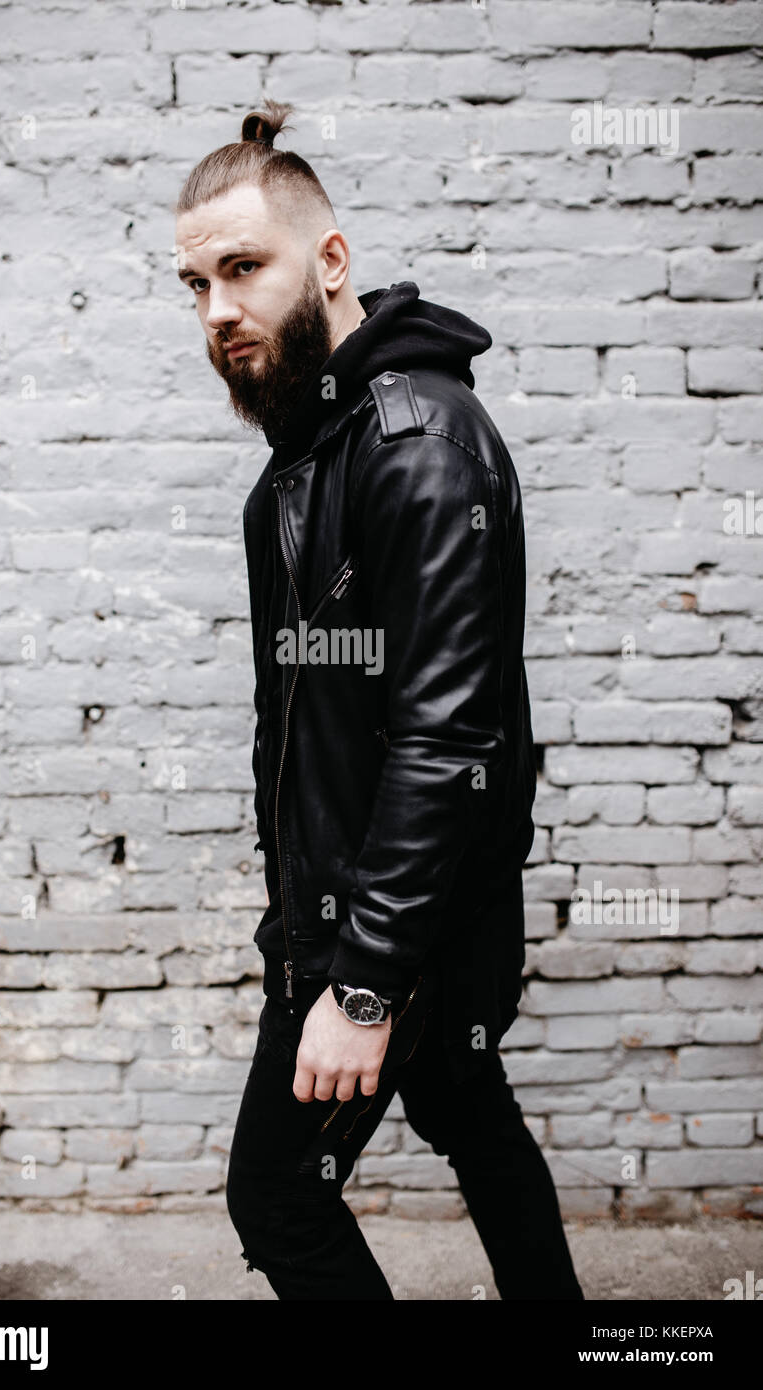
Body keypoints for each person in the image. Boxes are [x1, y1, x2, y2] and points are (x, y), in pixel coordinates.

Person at [174, 100, 584, 1301]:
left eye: (243, 268)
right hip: (365, 914)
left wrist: (357, 984)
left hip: (396, 930)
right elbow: (308, 731)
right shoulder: (301, 464)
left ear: (331, 261)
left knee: (277, 1197)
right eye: (193, 284)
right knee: (468, 1110)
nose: (217, 311)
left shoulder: (415, 444)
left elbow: (443, 734)